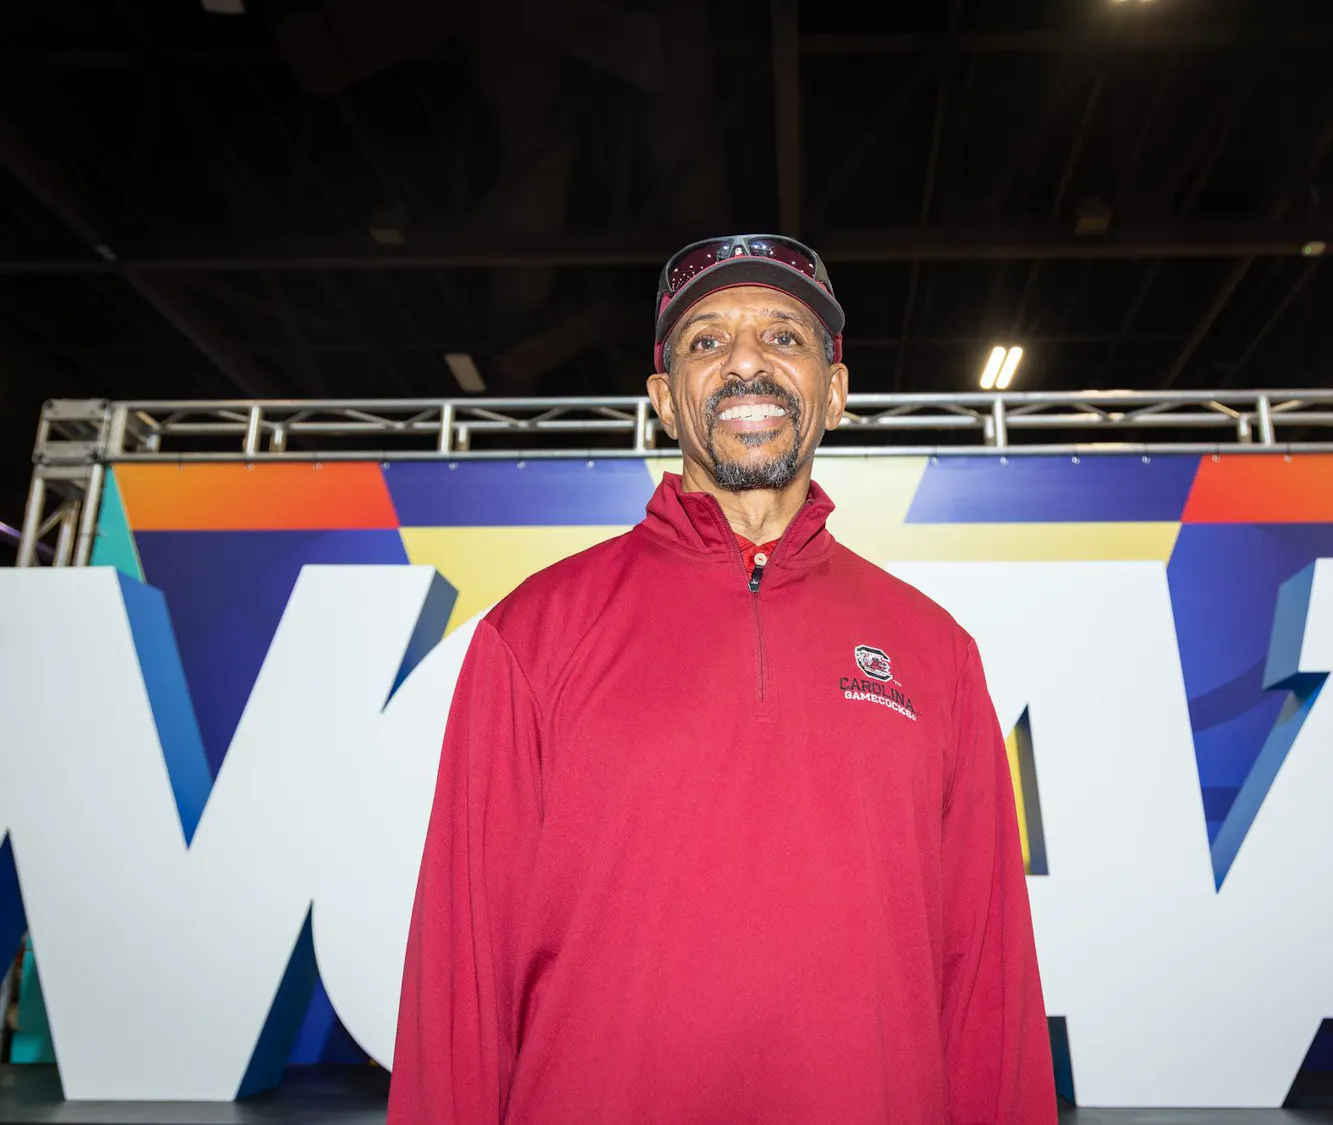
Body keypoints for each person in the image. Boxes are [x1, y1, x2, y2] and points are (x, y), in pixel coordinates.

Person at [388, 235, 1056, 1123]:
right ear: (665, 399)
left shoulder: (937, 655)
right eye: (707, 341)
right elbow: (459, 981)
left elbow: (989, 987)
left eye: (785, 336)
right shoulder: (532, 635)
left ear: (836, 389)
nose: (747, 361)